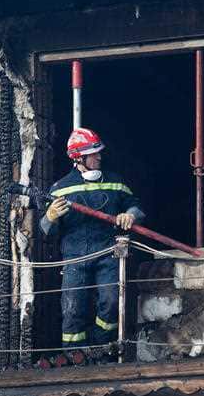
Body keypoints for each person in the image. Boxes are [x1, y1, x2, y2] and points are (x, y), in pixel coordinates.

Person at [39, 127, 144, 366]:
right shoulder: (60, 188)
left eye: (99, 153)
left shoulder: (116, 182)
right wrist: (50, 216)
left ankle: (101, 347)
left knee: (110, 301)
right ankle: (74, 355)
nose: (99, 157)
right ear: (78, 158)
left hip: (108, 255)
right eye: (94, 153)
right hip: (75, 258)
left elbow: (136, 206)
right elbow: (45, 230)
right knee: (73, 308)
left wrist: (130, 215)